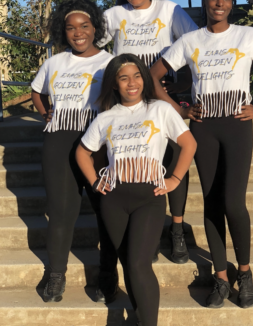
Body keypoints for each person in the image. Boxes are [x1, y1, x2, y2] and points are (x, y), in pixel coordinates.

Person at [150, 0, 253, 309]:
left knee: (233, 202)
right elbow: (152, 76)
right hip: (204, 127)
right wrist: (180, 109)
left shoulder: (248, 36)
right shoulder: (190, 41)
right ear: (205, 1)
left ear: (232, 2)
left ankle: (244, 272)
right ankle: (220, 275)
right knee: (212, 202)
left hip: (236, 125)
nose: (219, 3)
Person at [76, 54, 197, 326]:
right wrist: (96, 181)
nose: (132, 83)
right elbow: (82, 152)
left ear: (144, 79)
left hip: (149, 198)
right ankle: (141, 315)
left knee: (139, 263)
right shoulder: (106, 117)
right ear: (114, 84)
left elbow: (189, 144)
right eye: (123, 77)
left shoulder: (160, 110)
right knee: (128, 263)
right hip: (114, 199)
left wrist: (175, 178)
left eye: (137, 76)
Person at [98, 0, 198, 264]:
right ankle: (144, 233)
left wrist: (182, 85)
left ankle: (177, 228)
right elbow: (91, 47)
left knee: (172, 156)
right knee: (136, 157)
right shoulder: (114, 15)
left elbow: (194, 45)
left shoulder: (170, 10)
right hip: (127, 99)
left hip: (161, 96)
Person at [31, 0, 118, 303]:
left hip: (96, 143)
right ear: (63, 31)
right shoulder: (54, 62)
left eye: (84, 26)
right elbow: (37, 91)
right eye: (70, 28)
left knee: (106, 209)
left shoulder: (110, 63)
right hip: (59, 142)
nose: (78, 33)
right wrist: (46, 113)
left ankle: (108, 276)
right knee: (60, 212)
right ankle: (56, 274)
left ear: (95, 27)